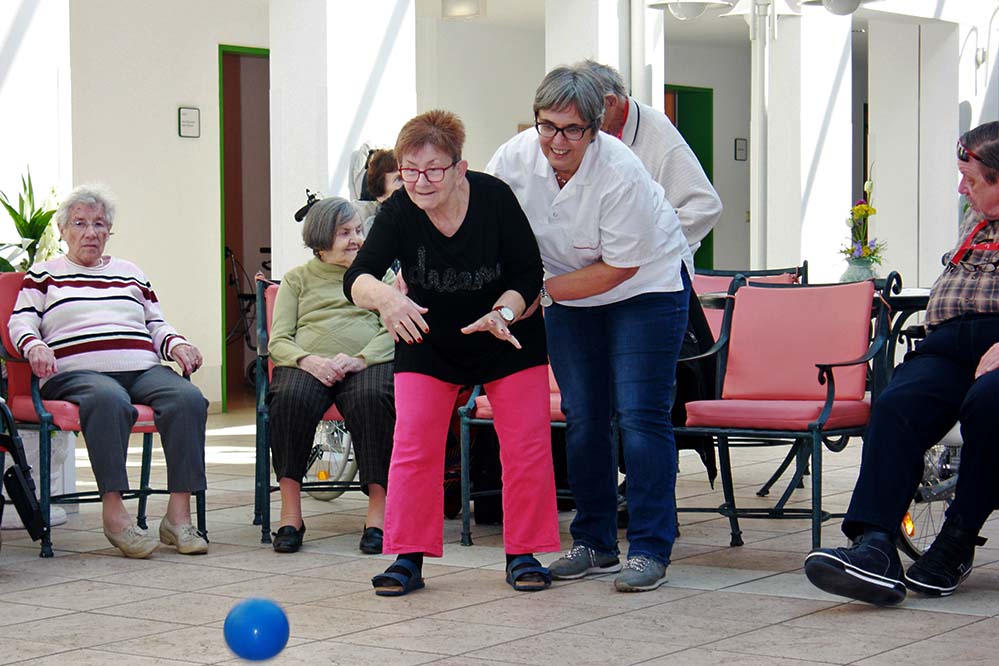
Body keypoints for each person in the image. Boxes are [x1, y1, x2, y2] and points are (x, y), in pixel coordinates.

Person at [487, 66, 692, 592]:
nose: (558, 140)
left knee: (641, 417)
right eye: (548, 126)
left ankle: (649, 547)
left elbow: (620, 266)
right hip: (564, 290)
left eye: (572, 129)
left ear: (595, 129)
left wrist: (541, 294)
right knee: (583, 417)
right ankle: (595, 542)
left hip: (645, 288)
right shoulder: (513, 159)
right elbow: (488, 223)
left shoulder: (619, 171)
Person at [344, 109, 560, 596]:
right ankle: (408, 558)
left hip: (506, 336)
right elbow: (356, 276)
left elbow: (529, 273)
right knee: (414, 445)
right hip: (428, 339)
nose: (421, 181)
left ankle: (522, 553)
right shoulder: (400, 210)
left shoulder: (495, 198)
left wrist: (504, 313)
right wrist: (388, 299)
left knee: (525, 445)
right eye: (410, 170)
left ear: (460, 168)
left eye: (434, 169)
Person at [804, 120, 999, 606]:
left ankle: (957, 538)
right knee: (895, 403)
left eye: (970, 178)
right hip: (950, 344)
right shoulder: (974, 224)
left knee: (987, 404)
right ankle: (875, 546)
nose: (961, 187)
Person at [8, 184, 209, 559]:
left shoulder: (130, 272)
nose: (91, 232)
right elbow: (20, 324)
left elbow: (156, 324)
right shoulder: (44, 275)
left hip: (142, 368)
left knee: (187, 398)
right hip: (78, 372)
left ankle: (178, 517)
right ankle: (115, 515)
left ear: (109, 231)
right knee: (108, 399)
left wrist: (177, 344)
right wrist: (35, 346)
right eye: (80, 223)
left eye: (99, 224)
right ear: (63, 230)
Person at [267, 197, 396, 555]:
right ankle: (291, 515)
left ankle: (377, 516)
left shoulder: (377, 275)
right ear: (322, 239)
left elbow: (392, 329)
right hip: (309, 365)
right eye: (345, 233)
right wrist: (307, 360)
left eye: (358, 231)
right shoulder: (297, 279)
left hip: (365, 363)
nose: (356, 239)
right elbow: (279, 340)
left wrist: (360, 358)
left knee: (374, 399)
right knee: (288, 399)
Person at [578, 59, 722, 253]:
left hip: (655, 272)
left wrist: (646, 242)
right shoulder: (597, 133)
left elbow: (705, 206)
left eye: (588, 112)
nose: (584, 122)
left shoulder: (657, 131)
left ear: (610, 102)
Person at [354, 148, 405, 234]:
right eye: (399, 179)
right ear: (381, 196)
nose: (408, 183)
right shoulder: (375, 229)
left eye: (410, 173)